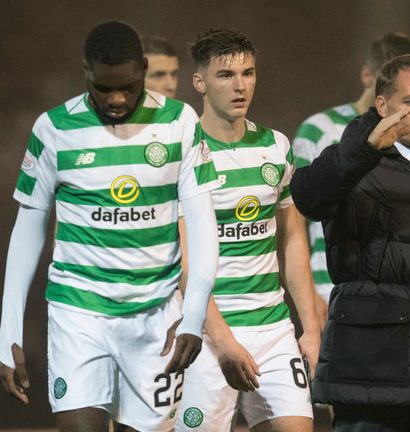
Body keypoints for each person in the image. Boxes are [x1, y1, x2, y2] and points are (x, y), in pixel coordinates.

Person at [0, 20, 220, 431]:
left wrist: (193, 314)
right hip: (79, 312)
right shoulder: (54, 129)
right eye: (104, 88)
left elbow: (204, 227)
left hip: (156, 315)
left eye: (129, 86)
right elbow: (27, 229)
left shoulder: (179, 122)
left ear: (144, 69)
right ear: (86, 72)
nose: (117, 99)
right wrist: (8, 331)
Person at [291, 54, 410, 431]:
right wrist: (366, 149)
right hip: (373, 373)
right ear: (382, 106)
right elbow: (307, 197)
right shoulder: (353, 159)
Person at [175, 29, 319, 432]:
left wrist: (309, 327)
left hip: (272, 330)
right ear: (199, 82)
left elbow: (291, 237)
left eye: (248, 73)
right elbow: (185, 262)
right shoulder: (183, 152)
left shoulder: (275, 146)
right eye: (225, 75)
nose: (240, 85)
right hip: (206, 333)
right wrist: (222, 342)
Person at [293, 33, 410, 325]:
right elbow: (298, 211)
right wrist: (308, 297)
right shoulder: (320, 129)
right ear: (372, 80)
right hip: (335, 289)